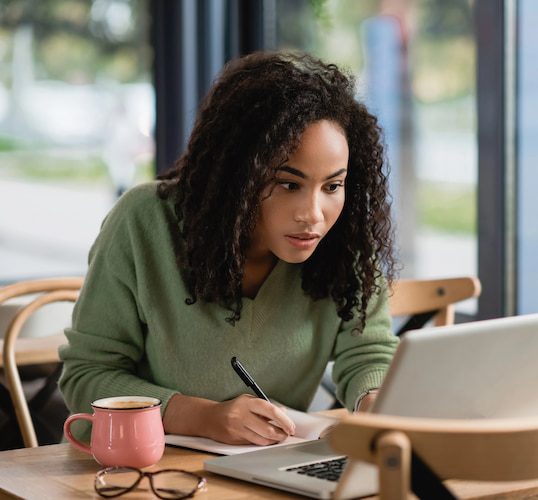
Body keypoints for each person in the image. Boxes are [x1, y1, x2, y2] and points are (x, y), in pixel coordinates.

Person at [59, 50, 399, 446]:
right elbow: (87, 376)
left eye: (332, 186)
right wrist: (204, 417)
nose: (313, 214)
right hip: (146, 472)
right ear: (241, 175)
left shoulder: (345, 240)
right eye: (289, 184)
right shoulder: (144, 221)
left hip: (273, 469)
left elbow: (369, 353)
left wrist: (374, 405)